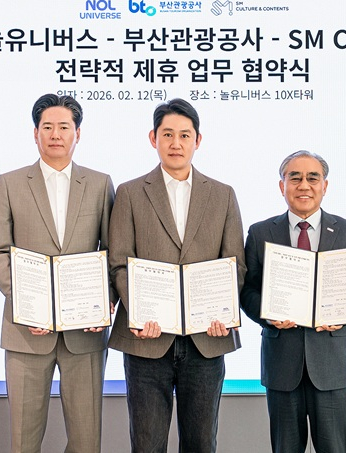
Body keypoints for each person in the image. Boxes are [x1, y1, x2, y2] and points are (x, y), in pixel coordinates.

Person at [107, 98, 246, 453]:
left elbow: (235, 264)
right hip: (146, 339)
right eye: (167, 134)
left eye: (185, 135)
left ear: (198, 140)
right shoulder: (130, 192)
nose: (176, 143)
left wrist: (223, 311)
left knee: (201, 443)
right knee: (147, 444)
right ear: (153, 138)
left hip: (206, 339)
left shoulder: (223, 195)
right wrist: (139, 313)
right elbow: (119, 262)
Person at [0, 93, 115, 453]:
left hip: (84, 335)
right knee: (24, 442)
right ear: (35, 133)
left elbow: (112, 253)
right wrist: (28, 303)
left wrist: (105, 300)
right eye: (47, 127)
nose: (56, 134)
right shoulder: (9, 183)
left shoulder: (100, 184)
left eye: (64, 127)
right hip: (26, 333)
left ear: (78, 134)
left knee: (86, 442)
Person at [240, 150, 346, 453]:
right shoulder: (260, 232)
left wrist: (345, 312)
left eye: (312, 178)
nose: (304, 185)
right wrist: (267, 315)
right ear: (282, 186)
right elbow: (247, 291)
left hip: (332, 364)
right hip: (282, 364)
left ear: (324, 186)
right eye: (295, 178)